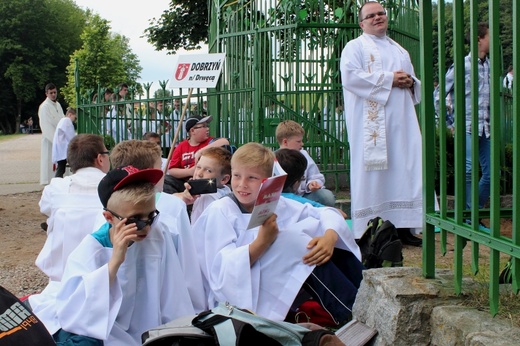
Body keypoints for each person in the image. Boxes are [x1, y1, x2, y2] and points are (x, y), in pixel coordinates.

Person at [193, 142, 363, 324]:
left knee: (324, 245)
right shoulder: (221, 210)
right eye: (237, 176)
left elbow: (326, 213)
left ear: (267, 180)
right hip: (242, 294)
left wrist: (330, 236)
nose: (242, 184)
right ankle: (350, 313)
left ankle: (366, 297)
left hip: (269, 282)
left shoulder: (277, 203)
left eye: (252, 178)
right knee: (299, 245)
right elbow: (220, 272)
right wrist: (262, 242)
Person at [32, 165, 196, 345]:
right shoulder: (92, 249)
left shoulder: (158, 234)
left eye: (151, 216)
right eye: (135, 220)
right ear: (109, 217)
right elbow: (77, 312)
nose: (146, 226)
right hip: (105, 331)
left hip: (150, 329)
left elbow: (173, 292)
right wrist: (115, 262)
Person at [340, 1, 423, 246]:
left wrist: (410, 81)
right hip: (372, 128)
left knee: (406, 170)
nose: (378, 18)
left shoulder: (399, 50)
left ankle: (406, 226)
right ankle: (372, 230)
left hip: (402, 123)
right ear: (362, 23)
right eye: (371, 15)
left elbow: (411, 79)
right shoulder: (354, 47)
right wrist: (389, 79)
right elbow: (350, 77)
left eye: (381, 14)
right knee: (374, 176)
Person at [108, 139, 206, 312]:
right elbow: (187, 262)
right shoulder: (173, 207)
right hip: (162, 305)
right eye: (160, 168)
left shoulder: (109, 205)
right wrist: (196, 308)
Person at [445, 23, 491, 222]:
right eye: (490, 36)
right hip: (467, 125)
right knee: (469, 170)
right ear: (479, 39)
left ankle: (474, 212)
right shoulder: (462, 65)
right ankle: (469, 216)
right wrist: (450, 123)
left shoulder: (489, 64)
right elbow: (438, 95)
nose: (493, 40)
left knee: (491, 174)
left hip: (486, 127)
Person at [275, 120, 336, 207]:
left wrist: (312, 183)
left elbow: (315, 175)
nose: (302, 144)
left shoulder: (304, 154)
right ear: (285, 142)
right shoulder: (274, 159)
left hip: (304, 197)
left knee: (327, 197)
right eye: (298, 141)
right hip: (283, 199)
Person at [275, 148, 348, 219]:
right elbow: (341, 215)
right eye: (302, 178)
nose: (302, 144)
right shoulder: (300, 203)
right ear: (296, 181)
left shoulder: (267, 199)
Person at [165, 114, 229, 193]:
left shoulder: (210, 142)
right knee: (166, 180)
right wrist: (190, 171)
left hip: (204, 181)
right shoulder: (181, 146)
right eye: (203, 126)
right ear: (192, 131)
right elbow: (172, 170)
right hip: (185, 183)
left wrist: (200, 151)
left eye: (207, 126)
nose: (207, 129)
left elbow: (225, 141)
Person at [189, 146, 232, 224]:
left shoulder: (208, 197)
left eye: (208, 170)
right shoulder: (226, 189)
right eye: (198, 167)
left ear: (224, 179)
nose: (199, 173)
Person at [38, 83, 64, 185]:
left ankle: (59, 182)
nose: (53, 95)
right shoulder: (44, 107)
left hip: (60, 139)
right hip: (51, 140)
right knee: (50, 164)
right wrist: (56, 140)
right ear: (46, 94)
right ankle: (49, 183)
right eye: (51, 93)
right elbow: (46, 126)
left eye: (55, 92)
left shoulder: (58, 105)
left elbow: (62, 121)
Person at [52, 107, 77, 178]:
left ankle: (57, 182)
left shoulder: (62, 121)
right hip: (63, 150)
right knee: (61, 169)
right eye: (75, 118)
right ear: (70, 114)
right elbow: (71, 136)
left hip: (60, 149)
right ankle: (56, 183)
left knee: (61, 168)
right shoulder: (67, 121)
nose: (74, 120)